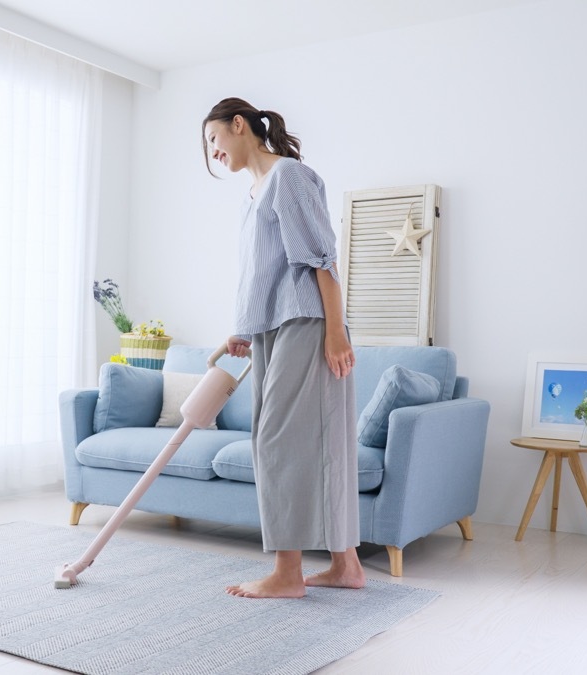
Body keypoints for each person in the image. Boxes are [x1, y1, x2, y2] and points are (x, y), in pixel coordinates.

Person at [201, 97, 366, 598]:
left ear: (238, 125)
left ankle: (288, 573)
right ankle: (346, 567)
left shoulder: (288, 176)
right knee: (321, 442)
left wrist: (335, 331)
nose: (213, 152)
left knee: (276, 443)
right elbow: (262, 275)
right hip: (273, 327)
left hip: (307, 321)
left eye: (214, 139)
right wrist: (243, 329)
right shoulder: (253, 194)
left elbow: (321, 258)